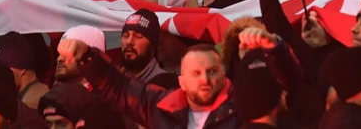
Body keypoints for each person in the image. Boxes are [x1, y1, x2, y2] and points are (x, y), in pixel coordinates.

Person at [58, 39, 239, 128]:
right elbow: (118, 87)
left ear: (224, 75)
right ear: (181, 82)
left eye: (212, 71)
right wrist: (86, 56)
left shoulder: (243, 111)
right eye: (196, 73)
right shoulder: (163, 107)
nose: (205, 79)